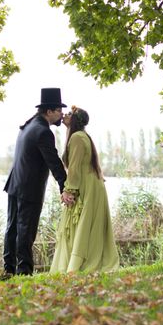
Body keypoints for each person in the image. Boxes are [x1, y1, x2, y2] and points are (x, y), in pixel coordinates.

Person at [2, 88, 71, 276]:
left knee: (12, 228)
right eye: (58, 110)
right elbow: (54, 162)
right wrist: (64, 187)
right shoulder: (43, 131)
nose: (61, 114)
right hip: (29, 188)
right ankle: (24, 271)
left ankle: (9, 269)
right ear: (49, 111)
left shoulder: (29, 125)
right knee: (25, 229)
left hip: (14, 184)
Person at [50, 106, 119, 273]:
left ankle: (79, 263)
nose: (65, 115)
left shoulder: (78, 138)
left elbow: (74, 168)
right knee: (83, 225)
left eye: (69, 114)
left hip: (87, 186)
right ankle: (78, 261)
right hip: (89, 184)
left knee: (82, 224)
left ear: (74, 120)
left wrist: (69, 190)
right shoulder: (77, 136)